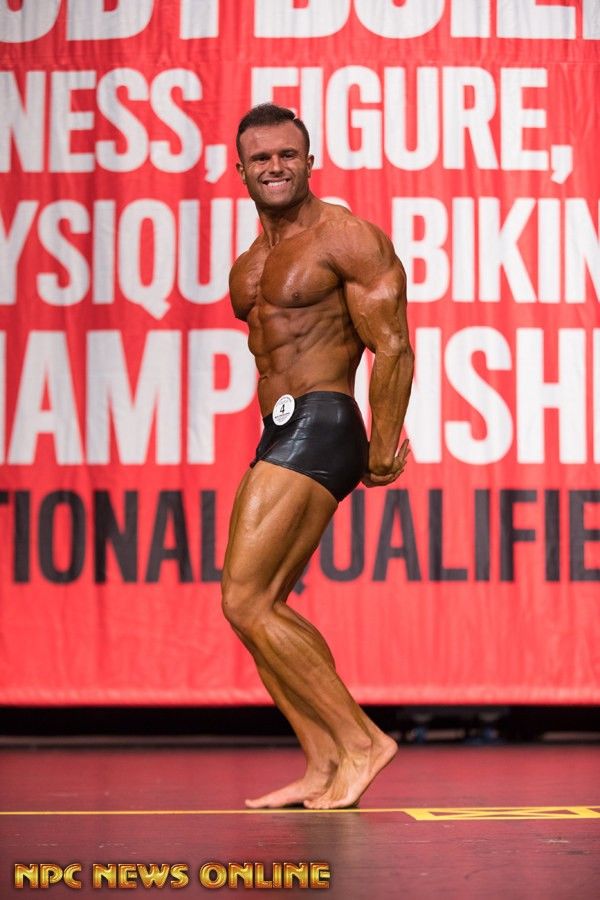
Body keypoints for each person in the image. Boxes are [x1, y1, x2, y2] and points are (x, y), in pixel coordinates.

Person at [223, 103, 414, 810]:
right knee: (261, 605)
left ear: (310, 162)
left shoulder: (346, 237)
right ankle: (323, 758)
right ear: (240, 169)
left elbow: (392, 344)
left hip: (325, 419)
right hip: (280, 429)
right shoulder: (250, 263)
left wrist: (382, 446)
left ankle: (362, 741)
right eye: (261, 158)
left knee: (243, 598)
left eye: (287, 155)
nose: (274, 167)